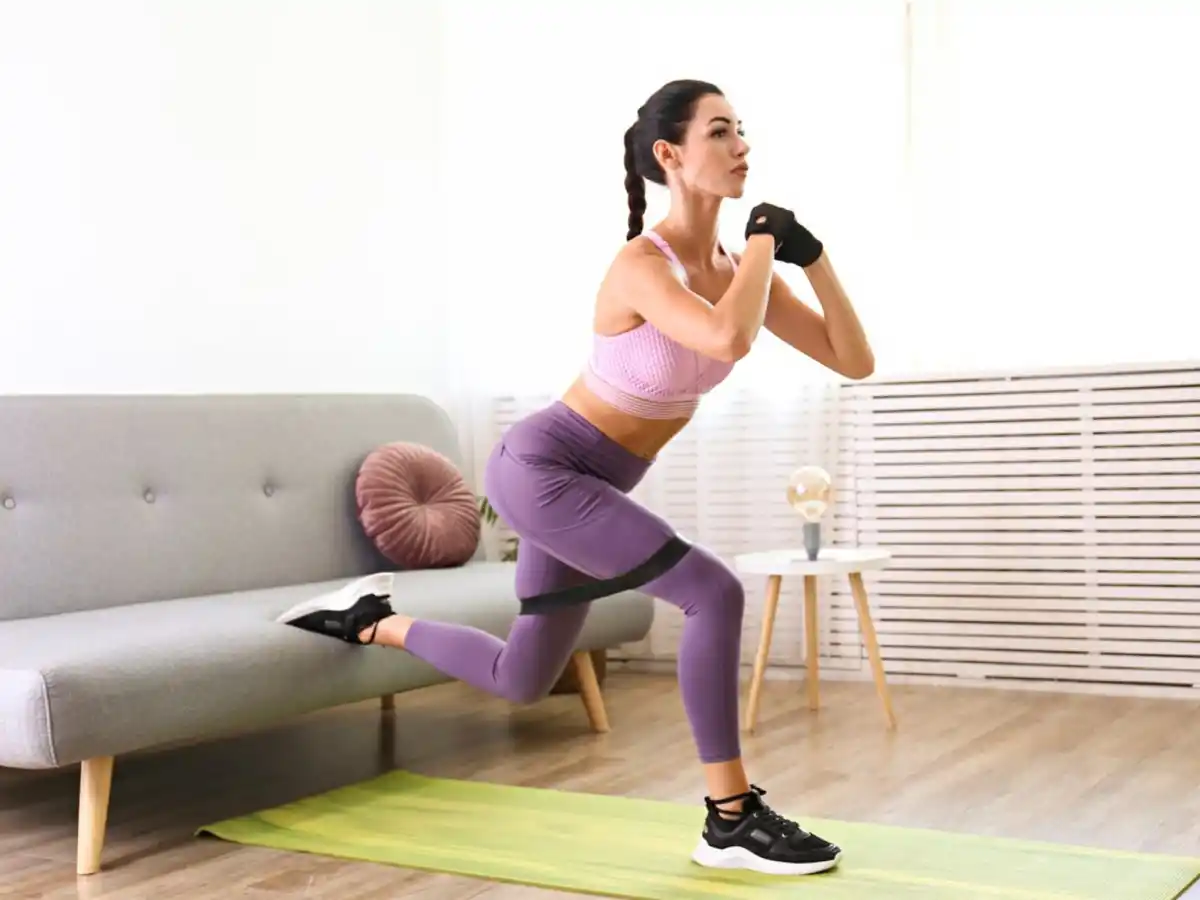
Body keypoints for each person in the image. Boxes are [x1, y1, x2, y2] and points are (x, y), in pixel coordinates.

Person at [279, 78, 874, 877]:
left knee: (521, 677)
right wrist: (767, 246)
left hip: (589, 485)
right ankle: (730, 817)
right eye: (722, 132)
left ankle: (369, 622)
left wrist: (816, 257)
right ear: (670, 155)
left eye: (743, 132)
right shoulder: (641, 265)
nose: (743, 147)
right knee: (714, 590)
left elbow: (854, 360)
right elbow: (726, 340)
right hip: (544, 470)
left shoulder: (741, 267)